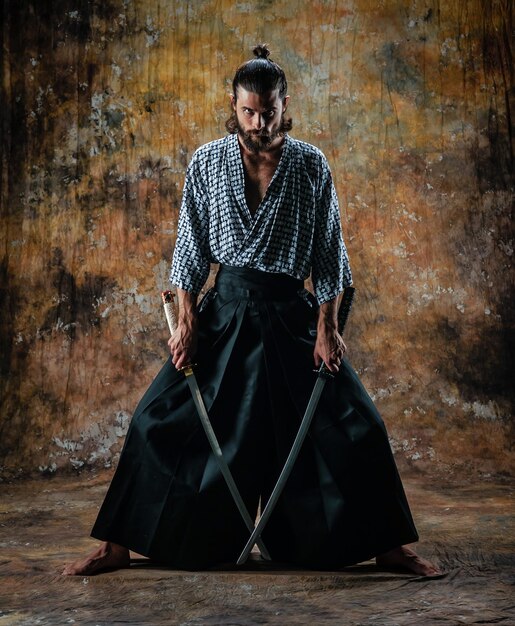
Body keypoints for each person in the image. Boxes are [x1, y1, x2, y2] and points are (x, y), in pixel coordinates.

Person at [63, 45, 441, 577]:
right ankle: (117, 546)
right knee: (154, 421)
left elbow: (330, 255)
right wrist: (189, 323)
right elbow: (190, 248)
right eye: (248, 112)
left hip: (292, 317)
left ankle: (391, 548)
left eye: (269, 111)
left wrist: (327, 328)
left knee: (359, 425)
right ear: (234, 106)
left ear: (285, 105)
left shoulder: (311, 165)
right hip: (227, 315)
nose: (259, 123)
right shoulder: (208, 161)